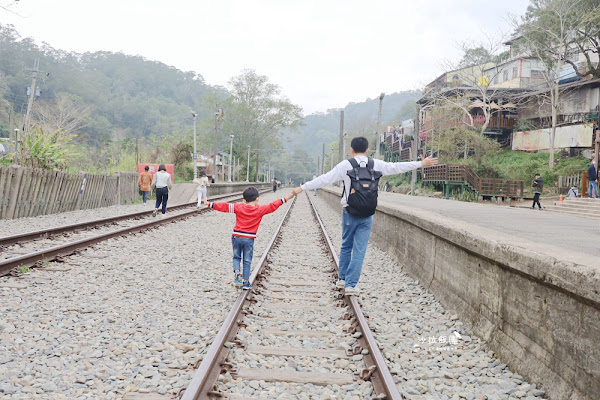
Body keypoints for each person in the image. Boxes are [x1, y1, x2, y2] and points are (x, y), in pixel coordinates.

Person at [292, 136, 438, 296]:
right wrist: (421, 163)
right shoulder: (376, 164)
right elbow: (397, 167)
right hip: (367, 213)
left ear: (351, 150)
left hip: (349, 211)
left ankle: (342, 279)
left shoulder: (345, 165)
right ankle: (351, 285)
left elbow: (325, 179)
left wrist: (303, 187)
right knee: (360, 249)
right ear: (367, 150)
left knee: (347, 245)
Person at [204, 187, 295, 290]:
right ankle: (246, 282)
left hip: (236, 236)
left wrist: (210, 204)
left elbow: (225, 206)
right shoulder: (260, 210)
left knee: (236, 257)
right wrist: (287, 197)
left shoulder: (239, 207)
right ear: (257, 199)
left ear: (244, 200)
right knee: (247, 260)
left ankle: (237, 273)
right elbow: (273, 205)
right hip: (249, 238)